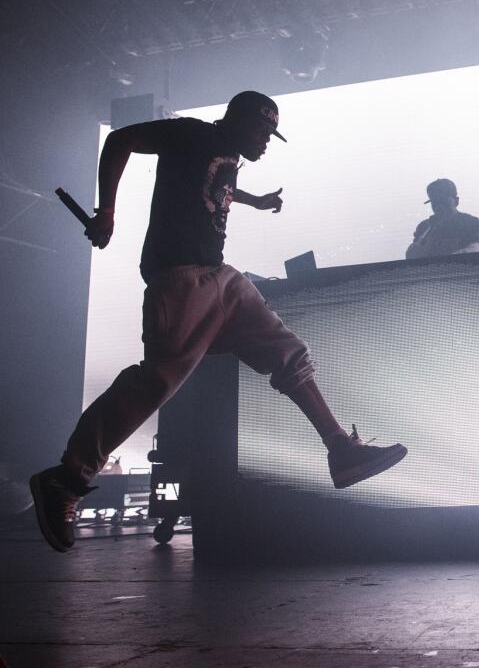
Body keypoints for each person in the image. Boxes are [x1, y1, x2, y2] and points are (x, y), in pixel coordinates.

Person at [29, 91, 408, 552]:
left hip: (219, 277)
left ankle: (341, 449)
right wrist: (107, 210)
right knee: (157, 382)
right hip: (181, 276)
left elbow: (219, 187)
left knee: (288, 353)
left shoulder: (225, 154)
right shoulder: (191, 133)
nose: (267, 143)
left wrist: (256, 200)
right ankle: (67, 478)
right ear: (239, 121)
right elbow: (121, 140)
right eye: (263, 132)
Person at [405, 178, 479, 259]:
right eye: (434, 201)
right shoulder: (423, 227)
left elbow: (476, 249)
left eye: (443, 200)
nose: (439, 205)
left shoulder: (472, 223)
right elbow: (413, 256)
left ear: (456, 201)